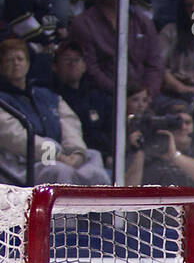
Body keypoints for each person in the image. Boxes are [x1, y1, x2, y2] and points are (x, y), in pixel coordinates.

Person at [0, 37, 111, 186]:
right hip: (25, 163)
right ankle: (62, 210)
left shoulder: (48, 96)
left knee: (94, 169)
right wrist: (56, 155)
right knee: (60, 171)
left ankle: (103, 210)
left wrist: (75, 153)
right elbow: (16, 138)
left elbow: (70, 125)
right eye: (9, 60)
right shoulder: (3, 101)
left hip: (63, 156)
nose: (16, 63)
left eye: (20, 58)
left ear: (27, 63)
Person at [69, 0, 164, 98]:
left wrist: (147, 95)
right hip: (104, 100)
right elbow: (91, 70)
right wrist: (124, 97)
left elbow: (155, 64)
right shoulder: (83, 24)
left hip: (144, 99)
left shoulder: (143, 22)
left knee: (180, 113)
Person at [122, 99, 194, 200]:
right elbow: (125, 196)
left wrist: (174, 156)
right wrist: (140, 151)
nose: (183, 127)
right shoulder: (144, 151)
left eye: (187, 122)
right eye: (176, 123)